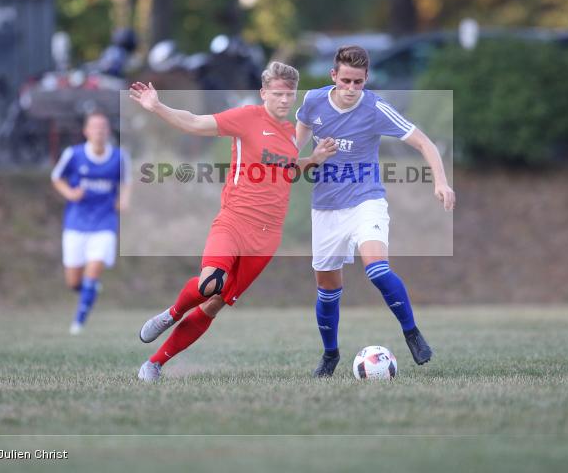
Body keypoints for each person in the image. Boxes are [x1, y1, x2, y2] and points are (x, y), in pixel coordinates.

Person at [129, 62, 337, 382]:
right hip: (234, 220)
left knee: (214, 304)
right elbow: (196, 123)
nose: (285, 100)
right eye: (278, 93)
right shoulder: (246, 118)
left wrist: (314, 160)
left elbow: (287, 168)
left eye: (290, 94)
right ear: (263, 93)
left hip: (267, 237)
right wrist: (157, 107)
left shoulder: (289, 133)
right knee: (210, 283)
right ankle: (171, 314)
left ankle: (154, 364)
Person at [295, 45, 456, 377]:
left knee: (376, 269)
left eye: (359, 82)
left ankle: (411, 332)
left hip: (366, 200)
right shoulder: (312, 102)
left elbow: (424, 142)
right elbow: (291, 158)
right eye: (346, 81)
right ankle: (330, 355)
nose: (352, 89)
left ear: (367, 79)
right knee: (327, 288)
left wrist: (441, 182)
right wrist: (312, 159)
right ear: (333, 76)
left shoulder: (375, 107)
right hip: (325, 208)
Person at [51, 112, 131, 335]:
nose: (99, 131)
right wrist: (70, 193)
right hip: (76, 222)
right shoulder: (73, 154)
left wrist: (124, 200)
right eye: (95, 127)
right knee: (73, 282)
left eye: (103, 127)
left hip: (105, 223)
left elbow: (126, 182)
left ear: (108, 131)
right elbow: (56, 177)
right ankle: (89, 289)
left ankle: (78, 322)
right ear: (86, 131)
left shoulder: (119, 156)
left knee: (93, 269)